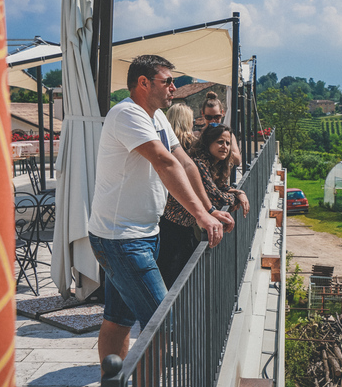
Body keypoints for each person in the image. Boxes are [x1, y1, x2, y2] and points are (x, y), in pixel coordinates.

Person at [88, 55, 235, 365]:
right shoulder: (127, 113)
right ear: (144, 83)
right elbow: (165, 161)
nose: (173, 86)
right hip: (121, 239)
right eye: (167, 80)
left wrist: (210, 208)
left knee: (118, 321)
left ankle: (110, 385)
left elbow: (185, 161)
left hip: (142, 233)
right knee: (163, 326)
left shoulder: (156, 117)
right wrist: (200, 215)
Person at [157, 123, 249, 288]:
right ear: (208, 143)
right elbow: (215, 196)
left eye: (228, 143)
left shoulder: (212, 164)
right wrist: (236, 198)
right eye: (220, 142)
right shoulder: (199, 164)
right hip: (172, 229)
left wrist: (238, 192)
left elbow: (220, 188)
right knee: (172, 281)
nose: (225, 147)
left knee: (183, 280)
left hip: (185, 229)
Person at [199, 91, 242, 167]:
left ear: (222, 113)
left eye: (217, 117)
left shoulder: (227, 134)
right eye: (208, 117)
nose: (213, 121)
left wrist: (222, 150)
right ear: (203, 114)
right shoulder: (198, 134)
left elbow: (238, 160)